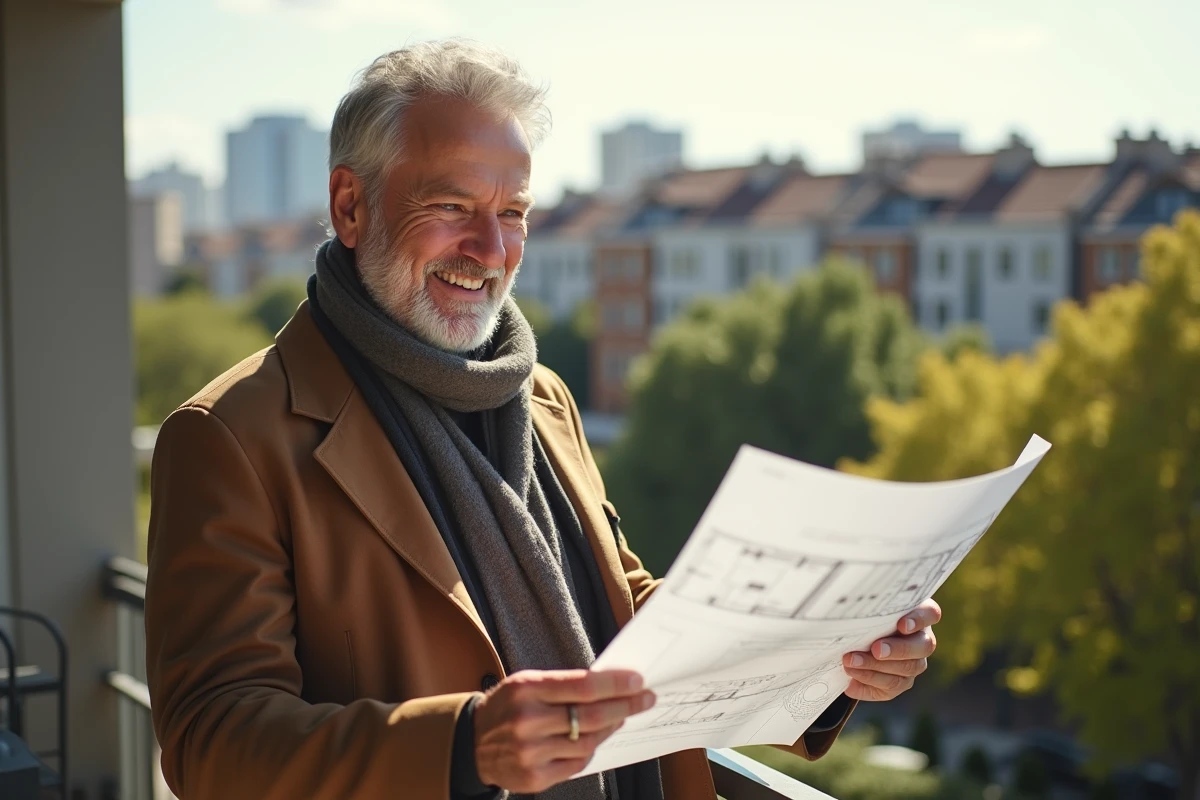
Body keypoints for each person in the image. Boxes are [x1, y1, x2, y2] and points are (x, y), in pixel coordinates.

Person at [144, 39, 941, 800]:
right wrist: (463, 747)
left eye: (515, 212)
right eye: (452, 204)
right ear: (350, 206)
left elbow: (624, 617)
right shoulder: (229, 437)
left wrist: (827, 656)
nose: (490, 249)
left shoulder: (543, 397)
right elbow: (208, 744)